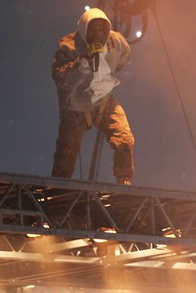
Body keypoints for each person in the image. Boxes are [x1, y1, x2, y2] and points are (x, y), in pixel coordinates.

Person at [51, 7, 135, 185]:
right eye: (93, 30)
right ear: (85, 29)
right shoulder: (69, 46)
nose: (97, 35)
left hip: (104, 99)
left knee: (124, 139)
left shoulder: (115, 41)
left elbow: (124, 56)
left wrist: (107, 74)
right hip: (76, 105)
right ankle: (58, 186)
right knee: (67, 152)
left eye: (101, 30)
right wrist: (83, 62)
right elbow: (61, 80)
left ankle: (124, 178)